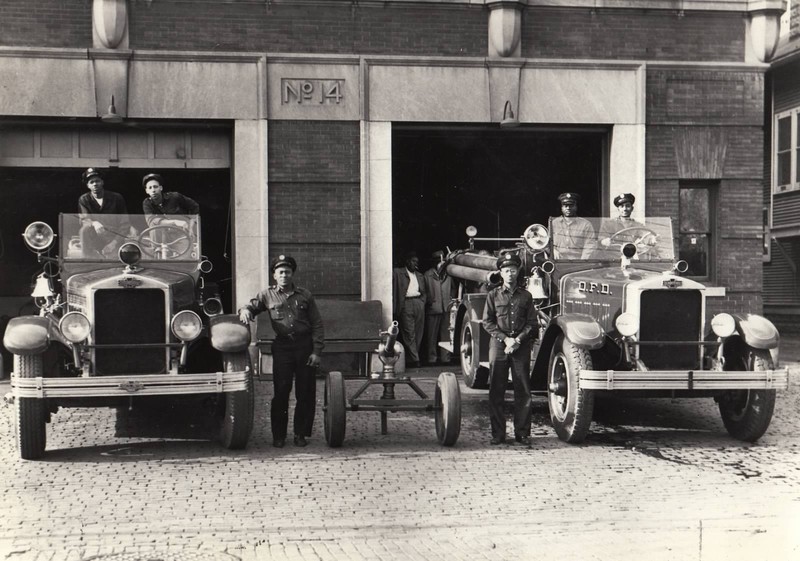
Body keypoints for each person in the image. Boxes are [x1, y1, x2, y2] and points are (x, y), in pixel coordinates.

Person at [238, 255, 324, 448]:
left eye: (288, 272)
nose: (284, 275)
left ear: (292, 274)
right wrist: (244, 310)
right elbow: (252, 306)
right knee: (281, 392)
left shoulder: (305, 296)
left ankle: (301, 434)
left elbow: (317, 324)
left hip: (304, 347)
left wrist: (316, 351)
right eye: (280, 272)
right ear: (275, 276)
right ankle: (279, 436)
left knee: (305, 393)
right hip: (283, 348)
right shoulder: (267, 295)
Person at [482, 252, 536, 446]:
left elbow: (532, 323)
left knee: (523, 390)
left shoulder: (526, 296)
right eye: (506, 270)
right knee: (497, 389)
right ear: (501, 273)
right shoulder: (493, 295)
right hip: (499, 345)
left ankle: (523, 433)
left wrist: (518, 340)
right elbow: (487, 322)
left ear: (517, 271)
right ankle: (498, 434)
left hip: (520, 347)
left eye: (513, 270)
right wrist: (505, 340)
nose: (510, 274)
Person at [78, 168, 137, 257]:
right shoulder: (84, 199)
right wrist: (94, 222)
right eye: (91, 182)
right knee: (84, 230)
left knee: (116, 265)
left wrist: (113, 244)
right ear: (88, 185)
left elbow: (125, 224)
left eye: (97, 181)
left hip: (114, 238)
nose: (95, 184)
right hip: (94, 239)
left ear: (102, 182)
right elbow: (84, 220)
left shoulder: (116, 198)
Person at [392, 251, 427, 369]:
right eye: (413, 261)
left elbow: (424, 292)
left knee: (418, 332)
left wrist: (422, 302)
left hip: (418, 303)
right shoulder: (398, 273)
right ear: (407, 262)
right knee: (409, 332)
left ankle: (412, 357)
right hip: (406, 303)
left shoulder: (420, 275)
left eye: (416, 262)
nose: (415, 264)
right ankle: (415, 359)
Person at [422, 250, 455, 366]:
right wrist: (429, 302)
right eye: (440, 262)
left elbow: (453, 289)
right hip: (433, 309)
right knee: (432, 335)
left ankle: (446, 358)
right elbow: (424, 291)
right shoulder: (427, 275)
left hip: (446, 308)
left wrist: (451, 301)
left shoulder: (449, 275)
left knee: (446, 335)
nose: (442, 264)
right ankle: (432, 359)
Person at [550, 192, 595, 259]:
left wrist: (582, 262)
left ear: (576, 207)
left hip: (578, 262)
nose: (568, 208)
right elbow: (546, 243)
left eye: (571, 205)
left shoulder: (586, 225)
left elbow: (590, 245)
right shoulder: (554, 223)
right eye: (565, 205)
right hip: (558, 261)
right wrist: (553, 250)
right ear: (561, 208)